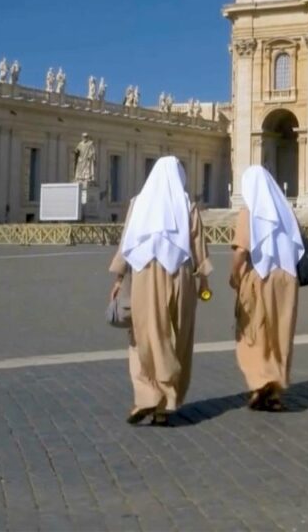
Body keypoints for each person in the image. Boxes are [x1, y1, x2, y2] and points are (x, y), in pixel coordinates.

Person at [109, 156, 212, 425]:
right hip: (180, 276)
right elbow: (198, 245)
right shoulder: (187, 205)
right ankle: (166, 402)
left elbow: (126, 242)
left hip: (143, 274)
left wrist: (119, 278)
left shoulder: (138, 204)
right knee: (176, 334)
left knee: (142, 334)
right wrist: (204, 281)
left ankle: (146, 395)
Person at [229, 166, 304, 412]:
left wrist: (234, 275)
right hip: (287, 279)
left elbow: (241, 250)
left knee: (254, 331)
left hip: (259, 278)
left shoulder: (249, 212)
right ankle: (275, 389)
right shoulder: (285, 211)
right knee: (280, 333)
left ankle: (260, 382)